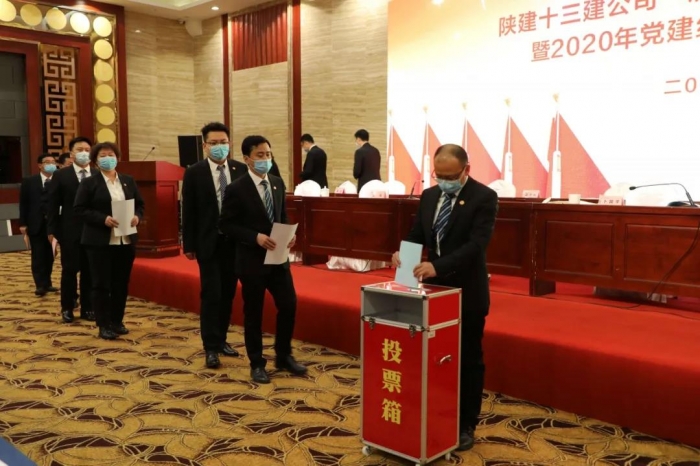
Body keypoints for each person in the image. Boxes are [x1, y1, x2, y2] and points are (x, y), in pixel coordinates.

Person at [391, 144, 498, 452]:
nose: (444, 181)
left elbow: (476, 245)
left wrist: (438, 266)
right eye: (439, 175)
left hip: (467, 291)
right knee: (435, 356)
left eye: (451, 176)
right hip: (434, 292)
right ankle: (437, 411)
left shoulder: (484, 197)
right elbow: (417, 234)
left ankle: (466, 424)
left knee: (468, 359)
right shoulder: (429, 196)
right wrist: (403, 253)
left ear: (466, 170)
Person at [220, 135, 307, 384]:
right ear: (247, 159)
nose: (265, 159)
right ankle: (257, 363)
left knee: (289, 304)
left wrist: (289, 234)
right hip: (251, 261)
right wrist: (255, 237)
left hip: (278, 259)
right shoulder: (236, 188)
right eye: (260, 155)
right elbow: (226, 225)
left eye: (268, 154)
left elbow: (282, 215)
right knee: (254, 313)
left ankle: (283, 355)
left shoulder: (277, 182)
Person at [182, 122, 247, 368]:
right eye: (214, 143)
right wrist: (188, 244)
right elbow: (189, 209)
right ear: (204, 145)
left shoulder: (240, 169)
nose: (219, 146)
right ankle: (210, 347)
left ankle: (221, 340)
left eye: (223, 142)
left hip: (235, 243)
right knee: (211, 293)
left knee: (228, 293)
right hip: (208, 242)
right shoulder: (194, 172)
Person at [74, 142, 144, 340]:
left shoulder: (128, 180)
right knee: (101, 284)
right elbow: (79, 209)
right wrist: (102, 219)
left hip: (125, 239)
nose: (108, 158)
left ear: (117, 158)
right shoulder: (89, 183)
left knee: (121, 283)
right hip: (99, 241)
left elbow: (140, 204)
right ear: (96, 161)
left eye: (111, 154)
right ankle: (103, 324)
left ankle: (117, 321)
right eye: (103, 155)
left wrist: (137, 217)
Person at [47, 137, 98, 323]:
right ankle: (67, 308)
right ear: (71, 153)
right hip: (69, 230)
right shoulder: (61, 175)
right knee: (69, 270)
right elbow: (52, 205)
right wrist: (52, 230)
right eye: (79, 149)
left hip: (93, 230)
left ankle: (88, 308)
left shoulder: (97, 174)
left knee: (89, 272)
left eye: (87, 149)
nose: (84, 153)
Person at [19, 154, 58, 297]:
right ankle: (40, 285)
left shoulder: (58, 180)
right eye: (47, 162)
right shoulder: (29, 181)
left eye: (53, 162)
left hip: (53, 225)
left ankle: (48, 283)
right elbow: (23, 203)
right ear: (40, 165)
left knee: (50, 255)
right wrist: (23, 223)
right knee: (38, 255)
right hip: (36, 224)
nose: (51, 164)